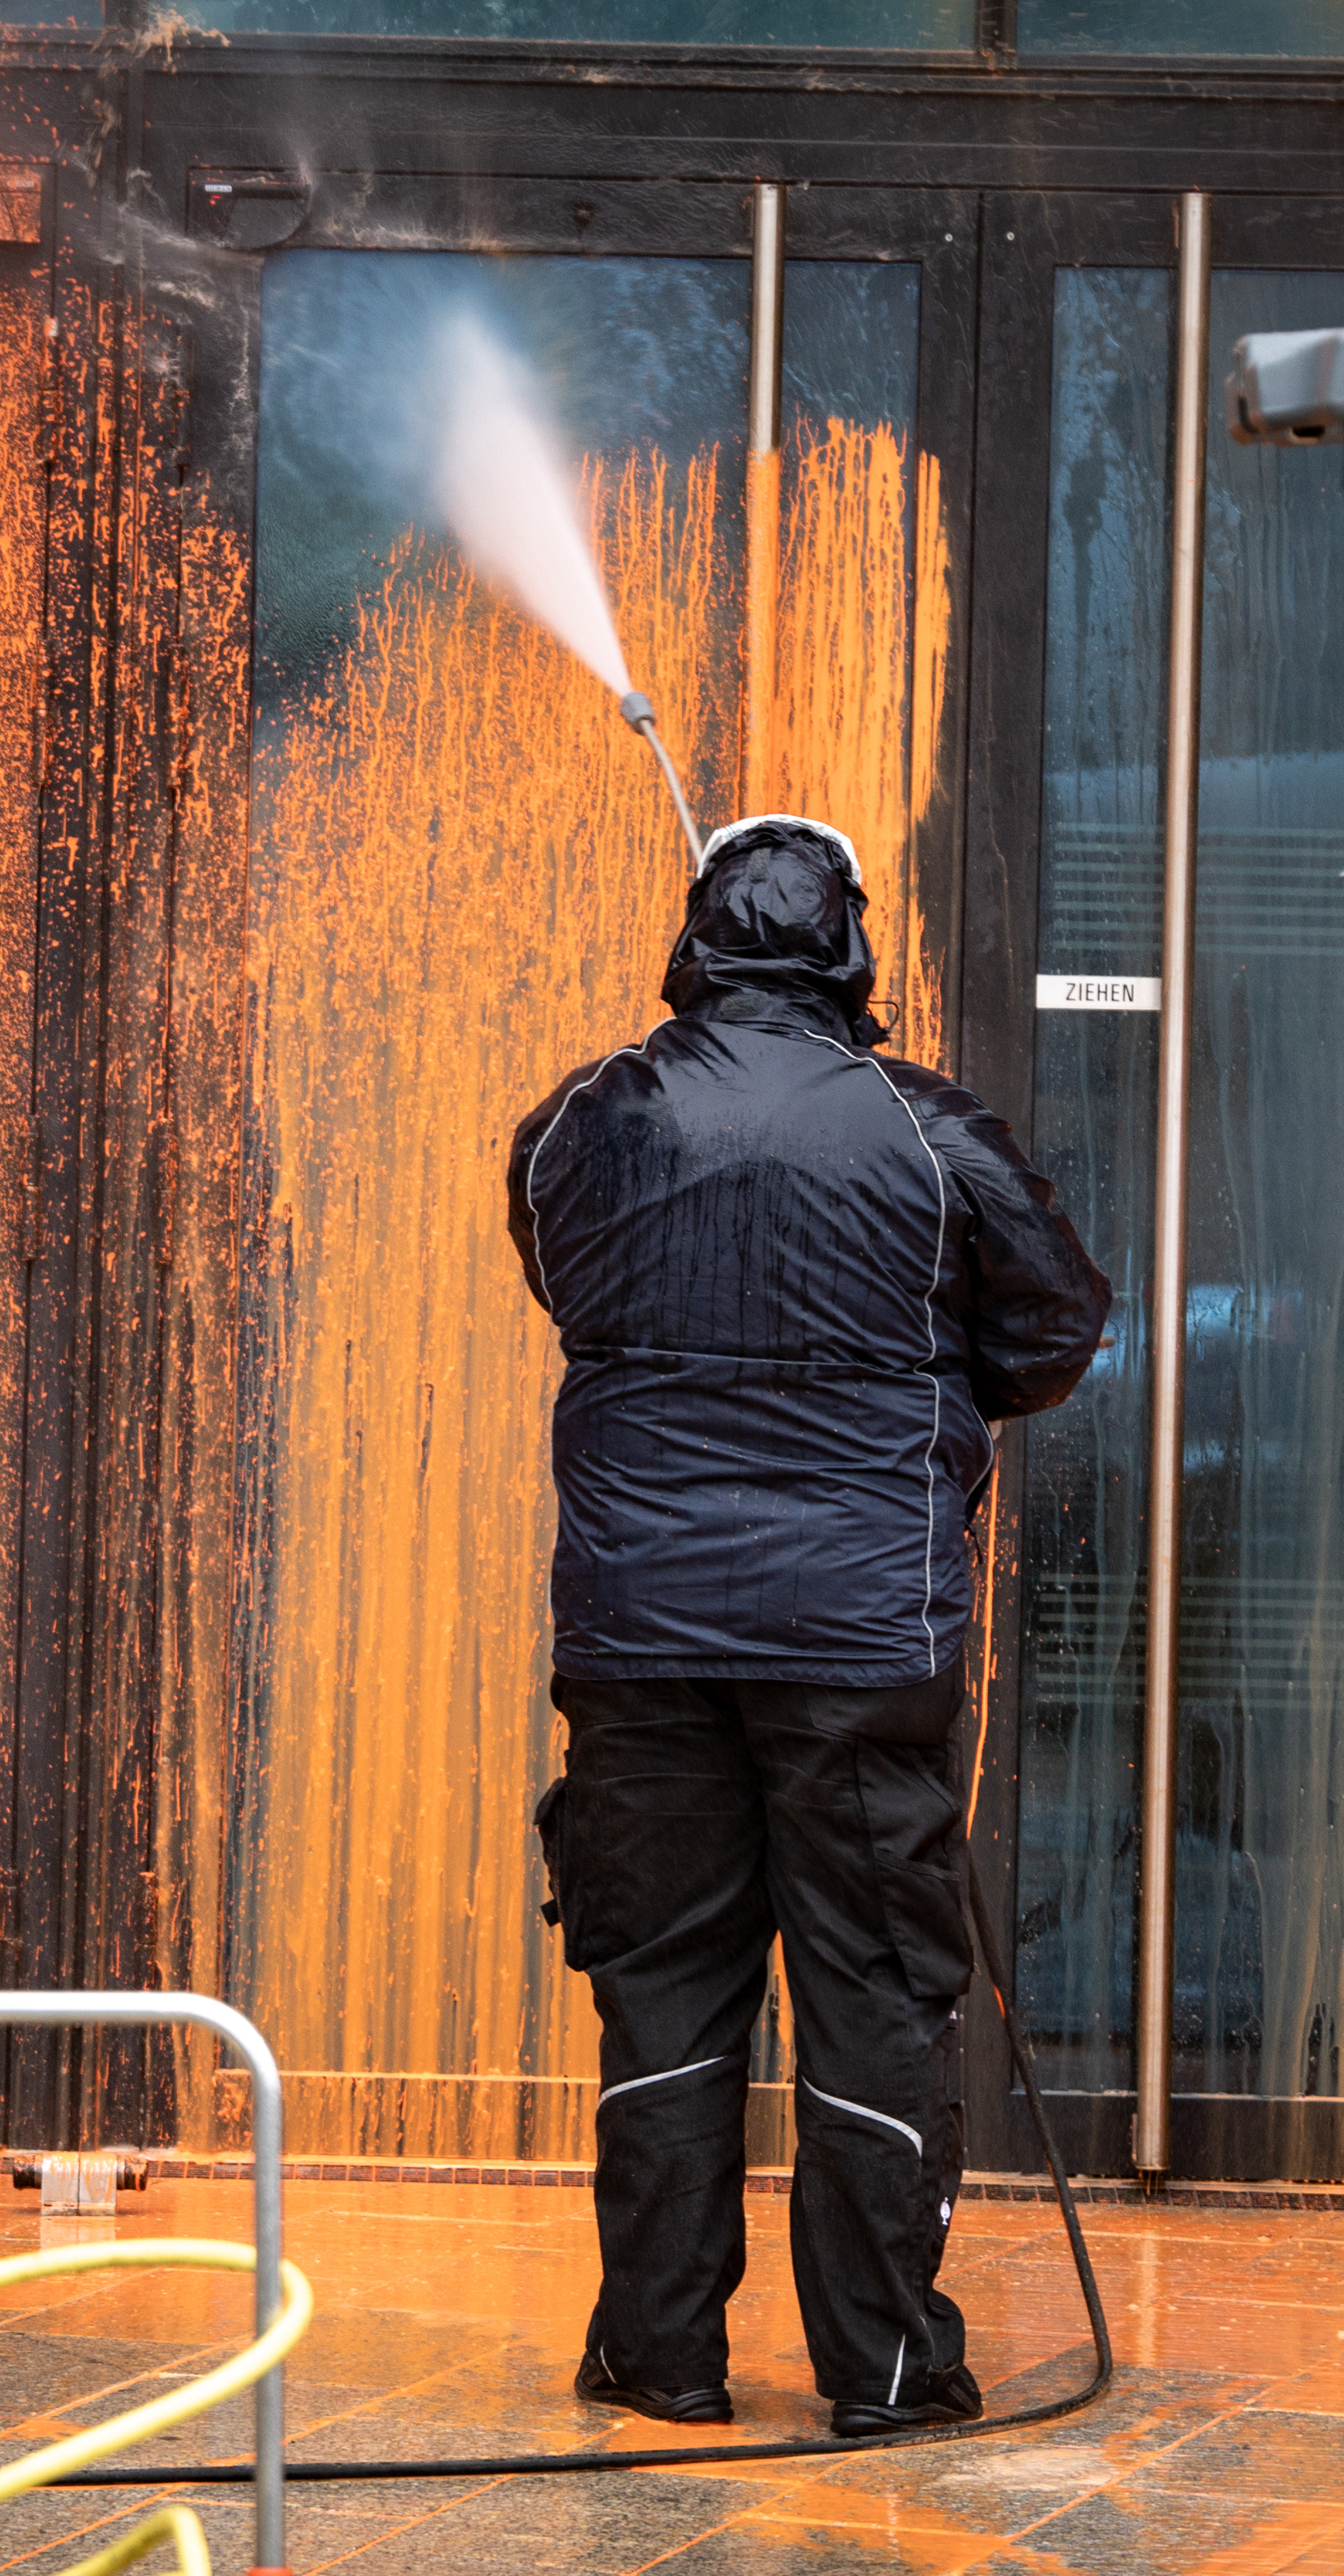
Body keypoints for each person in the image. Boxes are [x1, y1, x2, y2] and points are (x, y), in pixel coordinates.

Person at [507, 810, 1111, 2437]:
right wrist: (912, 1388)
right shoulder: (929, 1134)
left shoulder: (583, 1120)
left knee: (667, 1992)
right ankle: (888, 2368)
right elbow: (1057, 1326)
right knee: (871, 1993)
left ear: (693, 942)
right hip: (861, 1638)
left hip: (640, 1642)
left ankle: (661, 2357)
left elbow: (563, 1277)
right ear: (853, 952)